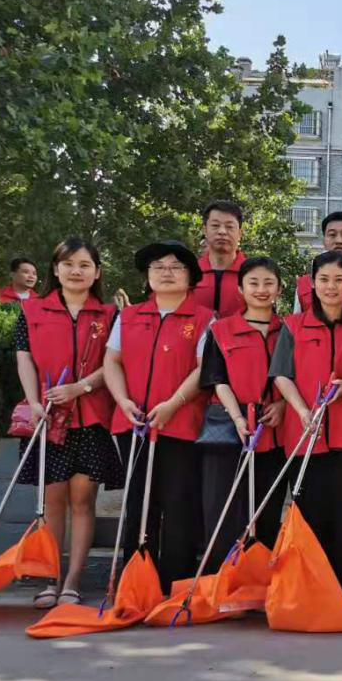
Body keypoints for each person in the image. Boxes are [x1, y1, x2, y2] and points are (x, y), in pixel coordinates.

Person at [14, 238, 122, 606]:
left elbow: (115, 364)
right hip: (48, 418)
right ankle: (50, 578)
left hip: (91, 419)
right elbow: (24, 359)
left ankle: (73, 581)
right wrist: (33, 402)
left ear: (97, 272)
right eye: (69, 264)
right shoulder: (31, 311)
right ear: (56, 269)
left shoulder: (110, 315)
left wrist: (81, 386)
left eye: (85, 265)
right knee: (51, 502)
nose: (77, 271)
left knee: (83, 502)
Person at [103, 240, 212, 590]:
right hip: (134, 423)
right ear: (147, 276)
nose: (166, 273)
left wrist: (173, 403)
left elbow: (203, 368)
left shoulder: (203, 319)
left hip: (181, 424)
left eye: (176, 267)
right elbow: (112, 361)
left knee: (178, 504)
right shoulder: (129, 316)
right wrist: (122, 400)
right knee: (138, 503)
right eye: (158, 267)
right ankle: (136, 584)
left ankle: (175, 585)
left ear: (190, 277)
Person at [271, 251, 342, 588]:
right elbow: (282, 375)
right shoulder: (294, 325)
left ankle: (340, 591)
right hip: (305, 434)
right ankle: (310, 590)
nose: (331, 286)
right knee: (310, 514)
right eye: (324, 279)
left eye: (339, 279)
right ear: (312, 284)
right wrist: (301, 409)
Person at [198, 256, 289, 565]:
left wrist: (282, 404)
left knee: (267, 509)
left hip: (274, 434)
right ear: (240, 288)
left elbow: (297, 377)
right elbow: (215, 379)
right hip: (231, 430)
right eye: (253, 283)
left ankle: (260, 576)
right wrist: (237, 417)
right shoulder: (220, 330)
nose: (261, 289)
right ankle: (223, 576)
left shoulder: (288, 330)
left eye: (268, 283)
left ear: (279, 289)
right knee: (224, 510)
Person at [192, 201, 248, 318]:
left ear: (240, 233)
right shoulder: (190, 273)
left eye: (229, 227)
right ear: (205, 230)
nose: (222, 231)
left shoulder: (251, 274)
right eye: (215, 225)